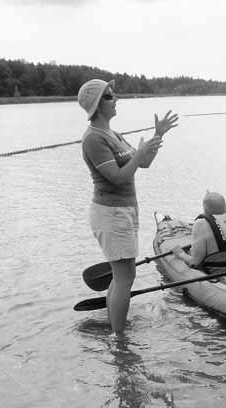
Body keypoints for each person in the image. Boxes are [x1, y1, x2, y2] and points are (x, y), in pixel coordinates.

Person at [79, 78, 179, 336]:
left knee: (121, 276)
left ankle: (116, 330)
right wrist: (139, 153)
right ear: (98, 105)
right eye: (110, 96)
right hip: (110, 214)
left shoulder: (113, 134)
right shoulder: (93, 139)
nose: (116, 99)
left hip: (124, 211)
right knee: (125, 278)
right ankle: (120, 340)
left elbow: (143, 163)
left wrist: (158, 136)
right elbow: (119, 177)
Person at [171, 191, 226, 286]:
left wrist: (181, 254)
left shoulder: (201, 224)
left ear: (205, 210)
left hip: (222, 273)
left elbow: (195, 262)